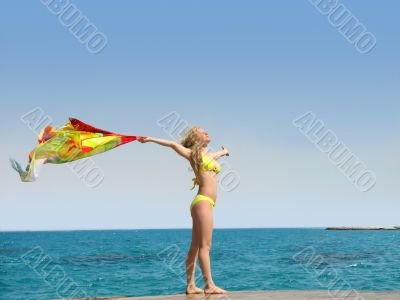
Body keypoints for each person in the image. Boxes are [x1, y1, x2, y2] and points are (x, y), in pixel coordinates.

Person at [138, 126, 229, 294]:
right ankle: (209, 285)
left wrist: (224, 152)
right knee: (205, 246)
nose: (207, 132)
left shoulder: (207, 156)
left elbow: (214, 156)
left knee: (195, 246)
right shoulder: (192, 154)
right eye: (203, 131)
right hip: (203, 202)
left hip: (204, 203)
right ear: (196, 138)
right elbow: (173, 144)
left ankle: (191, 285)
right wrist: (150, 139)